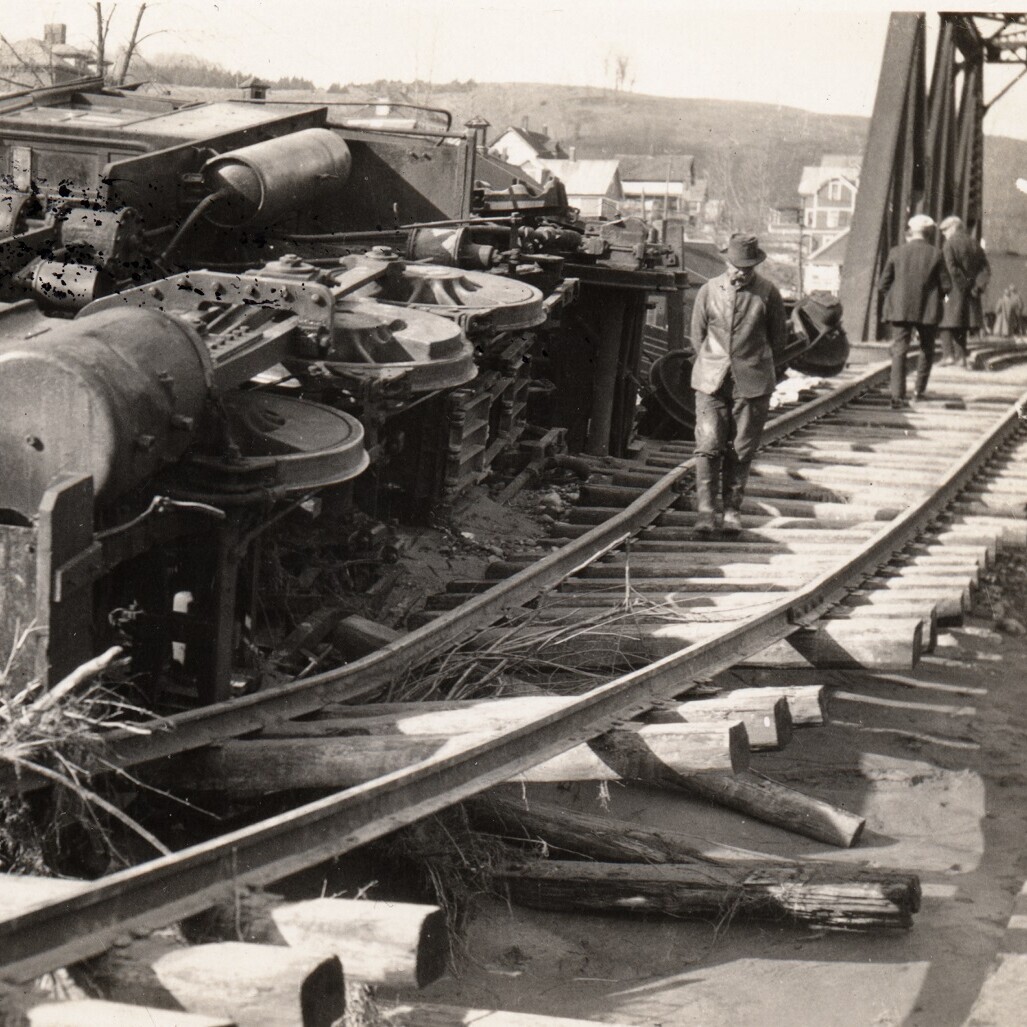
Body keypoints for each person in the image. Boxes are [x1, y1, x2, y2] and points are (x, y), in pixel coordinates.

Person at [690, 233, 787, 535]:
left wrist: (755, 363)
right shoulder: (708, 291)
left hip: (752, 382)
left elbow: (778, 340)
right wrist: (713, 362)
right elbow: (697, 335)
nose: (741, 273)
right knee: (708, 445)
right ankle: (706, 512)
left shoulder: (768, 294)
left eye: (747, 267)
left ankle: (732, 510)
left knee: (742, 449)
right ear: (727, 262)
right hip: (711, 380)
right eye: (736, 266)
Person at [878, 213, 951, 407]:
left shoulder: (896, 252)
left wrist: (894, 298)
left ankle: (897, 395)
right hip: (928, 310)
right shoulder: (936, 253)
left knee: (899, 349)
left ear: (911, 231)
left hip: (900, 309)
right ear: (928, 233)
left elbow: (882, 284)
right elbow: (946, 286)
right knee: (927, 349)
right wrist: (938, 300)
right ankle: (919, 392)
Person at [938, 214, 990, 366]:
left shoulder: (949, 244)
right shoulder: (975, 244)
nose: (944, 234)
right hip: (970, 293)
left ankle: (948, 355)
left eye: (945, 230)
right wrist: (977, 286)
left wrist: (966, 284)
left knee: (945, 322)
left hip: (953, 290)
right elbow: (985, 269)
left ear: (954, 228)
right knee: (962, 323)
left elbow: (951, 268)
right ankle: (961, 357)